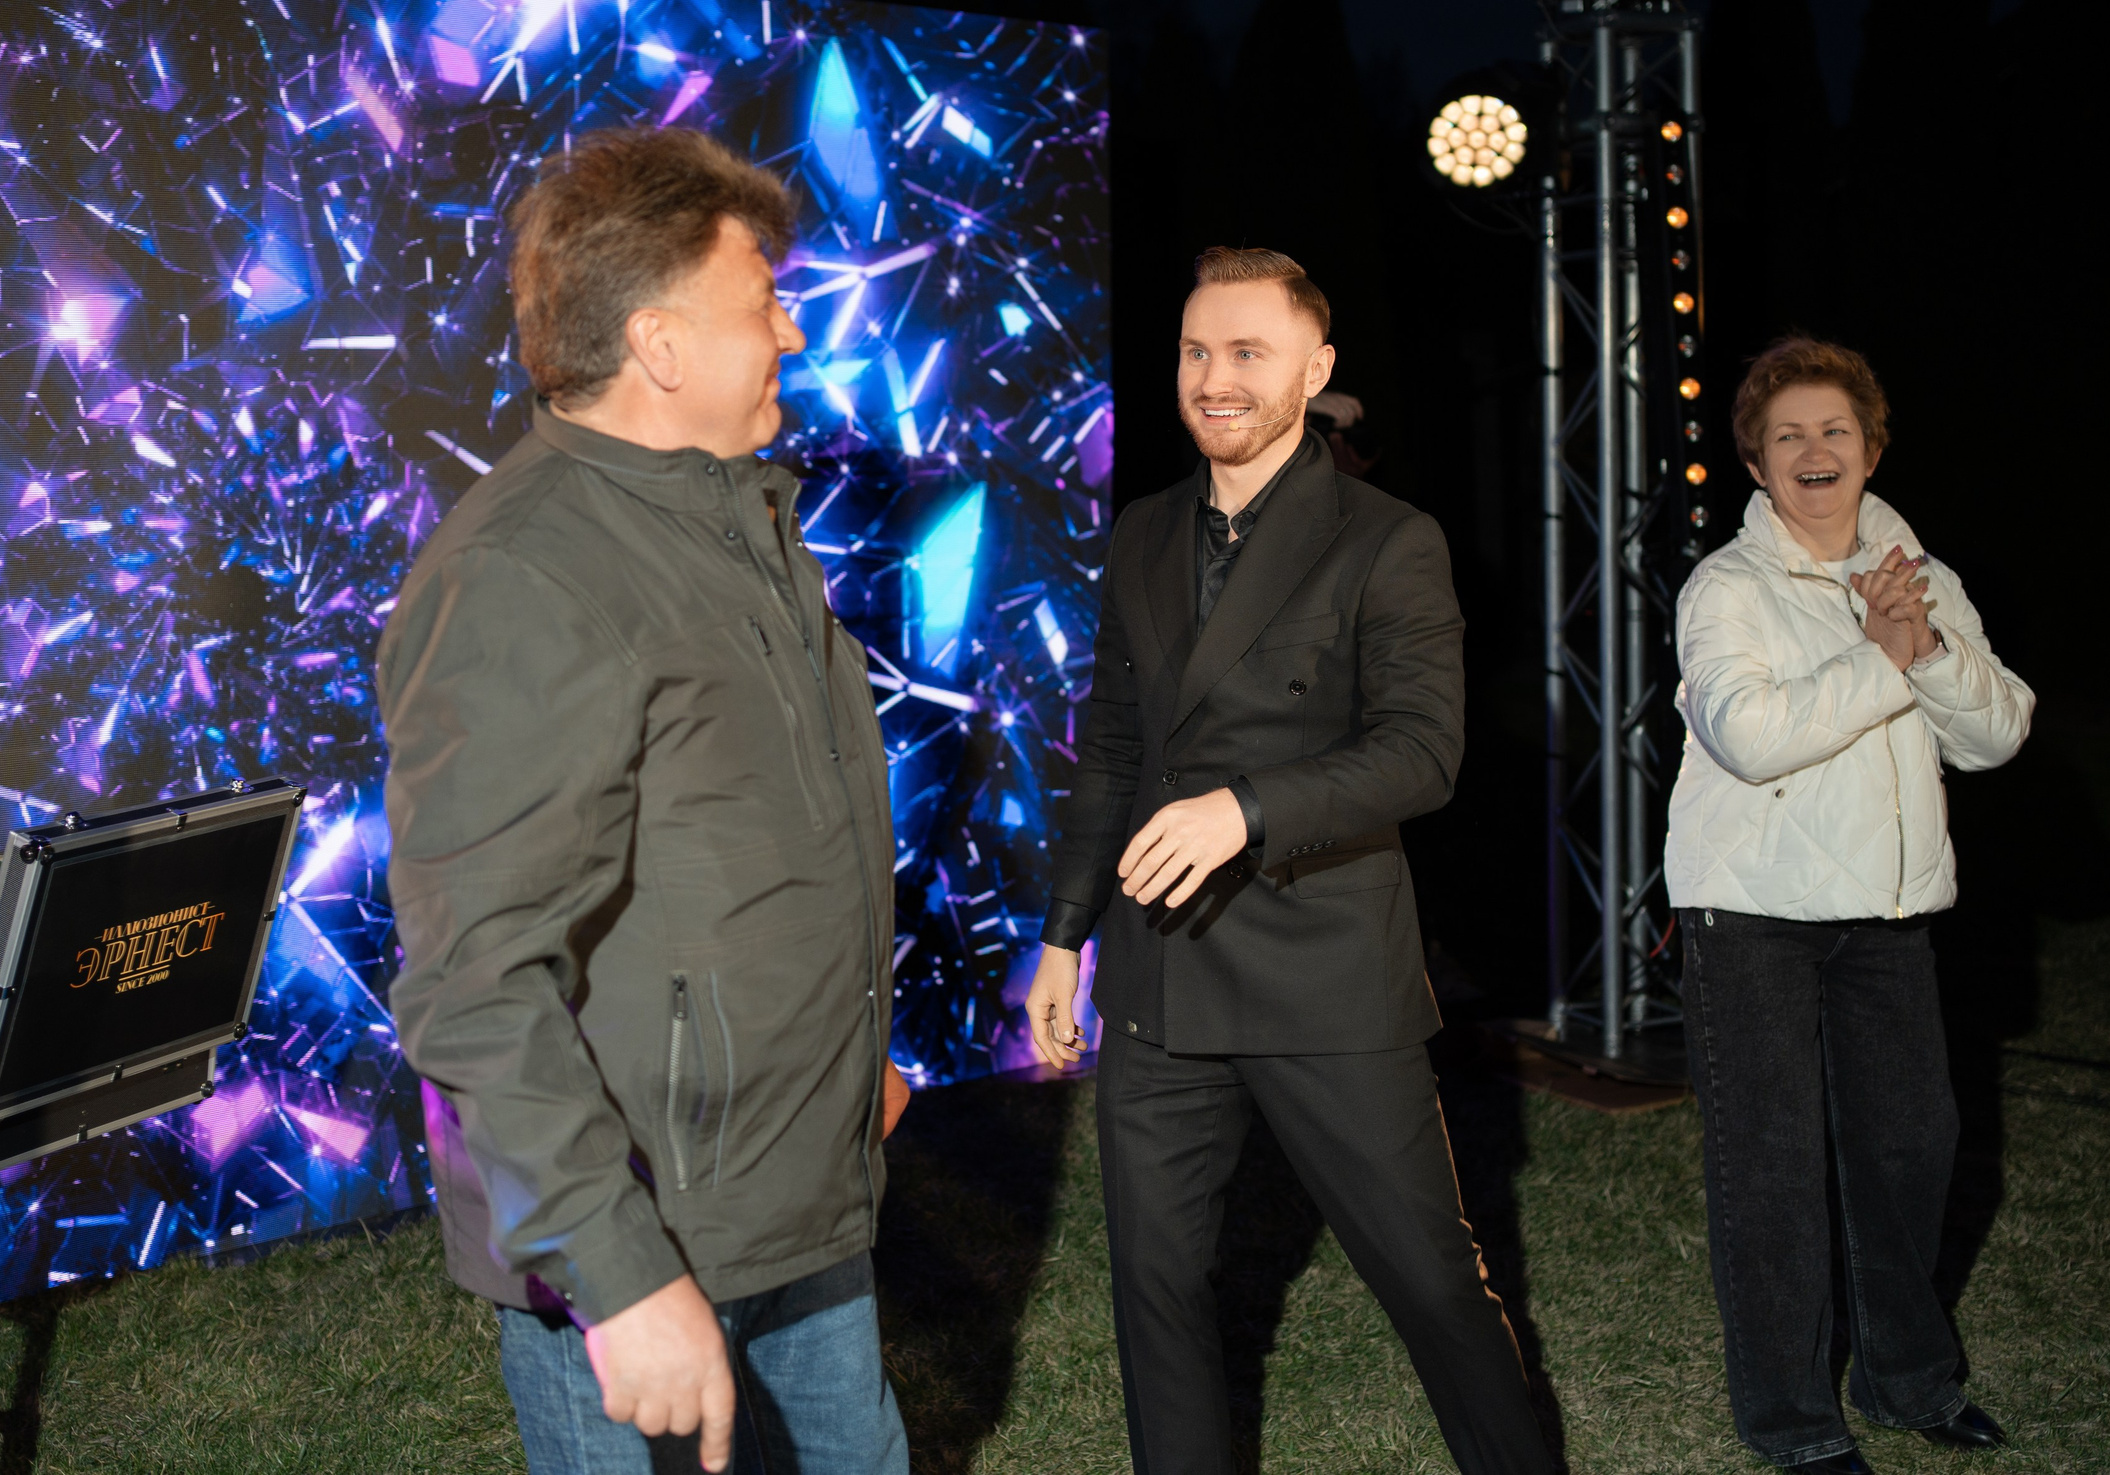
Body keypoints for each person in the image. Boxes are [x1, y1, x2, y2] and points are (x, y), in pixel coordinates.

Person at [378, 127, 909, 1475]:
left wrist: (846, 1068)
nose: (792, 331)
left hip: (792, 1193)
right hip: (641, 1234)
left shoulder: (731, 518)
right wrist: (616, 1273)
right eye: (764, 304)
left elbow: (734, 844)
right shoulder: (526, 576)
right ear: (663, 345)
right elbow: (475, 978)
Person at [1023, 247, 1552, 1475]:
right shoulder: (1144, 533)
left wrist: (1244, 810)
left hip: (1324, 977)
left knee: (1431, 1286)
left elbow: (1423, 753)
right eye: (1196, 351)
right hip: (1158, 979)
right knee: (1154, 1300)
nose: (1215, 378)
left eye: (1247, 353)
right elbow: (1111, 748)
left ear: (1313, 371)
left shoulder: (1386, 538)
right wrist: (1062, 935)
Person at [1666, 336, 2034, 1474]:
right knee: (1772, 1176)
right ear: (1757, 465)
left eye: (1834, 431)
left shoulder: (1919, 574)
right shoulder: (1726, 586)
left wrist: (1920, 646)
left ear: (1871, 449)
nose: (1812, 450)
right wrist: (1883, 659)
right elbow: (1752, 735)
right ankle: (1792, 1423)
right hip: (1752, 917)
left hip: (1888, 916)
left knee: (1912, 1150)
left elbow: (1997, 732)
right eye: (1787, 437)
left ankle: (1905, 1380)